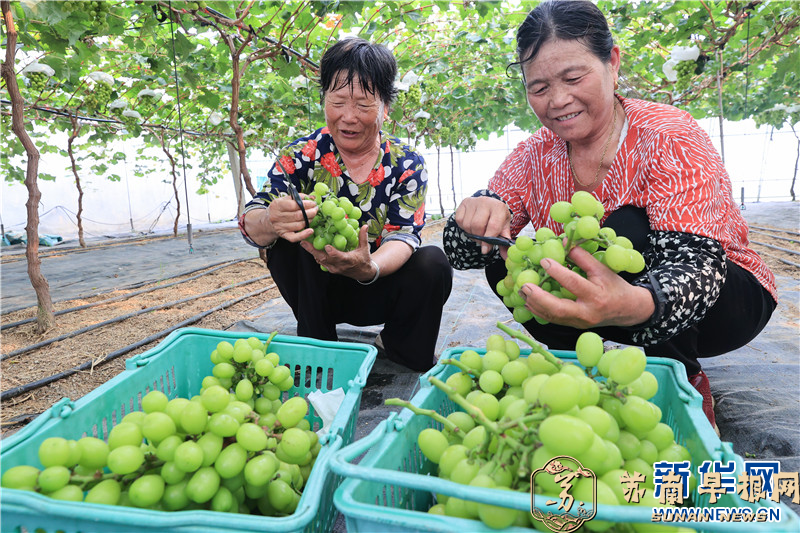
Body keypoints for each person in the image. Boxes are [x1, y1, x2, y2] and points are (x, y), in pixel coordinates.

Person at [444, 0, 777, 432]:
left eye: (573, 78)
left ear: (612, 63)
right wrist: (473, 216)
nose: (558, 100)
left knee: (624, 230)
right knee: (507, 257)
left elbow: (698, 269)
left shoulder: (667, 135)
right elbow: (462, 254)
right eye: (539, 87)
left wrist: (634, 303)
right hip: (602, 306)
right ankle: (583, 368)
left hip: (719, 301)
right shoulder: (534, 153)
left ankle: (680, 381)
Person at [239, 37, 453, 372]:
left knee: (433, 262)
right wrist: (270, 220)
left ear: (385, 108)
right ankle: (318, 347)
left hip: (379, 284)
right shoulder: (302, 155)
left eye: (364, 105)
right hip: (317, 293)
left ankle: (399, 346)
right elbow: (252, 219)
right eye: (337, 102)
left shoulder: (406, 163)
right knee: (290, 238)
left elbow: (403, 235)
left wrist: (369, 268)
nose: (348, 117)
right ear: (324, 99)